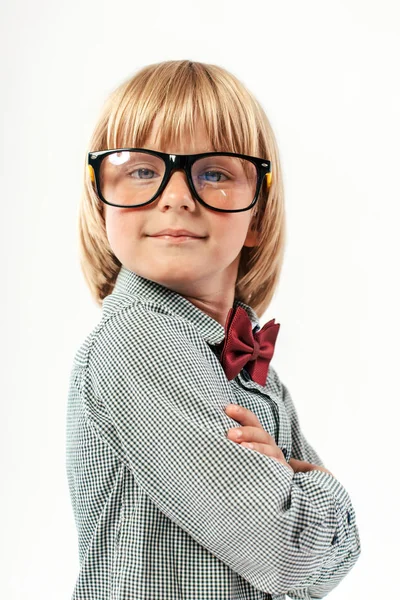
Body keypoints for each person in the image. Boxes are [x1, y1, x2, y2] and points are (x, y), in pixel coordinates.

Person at [66, 59, 361, 600]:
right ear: (100, 201)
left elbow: (333, 562)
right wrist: (312, 487)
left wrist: (299, 494)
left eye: (215, 173)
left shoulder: (253, 369)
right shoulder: (140, 345)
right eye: (141, 170)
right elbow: (291, 552)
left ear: (258, 215)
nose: (176, 195)